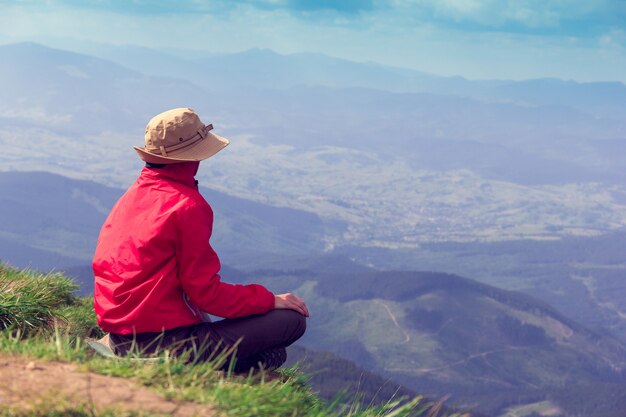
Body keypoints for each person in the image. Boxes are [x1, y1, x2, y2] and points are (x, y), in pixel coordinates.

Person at [92, 108, 308, 371]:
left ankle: (240, 362)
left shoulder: (133, 196)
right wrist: (269, 299)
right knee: (290, 321)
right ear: (192, 158)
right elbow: (207, 294)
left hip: (121, 334)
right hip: (162, 343)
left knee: (269, 348)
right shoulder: (187, 206)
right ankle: (224, 367)